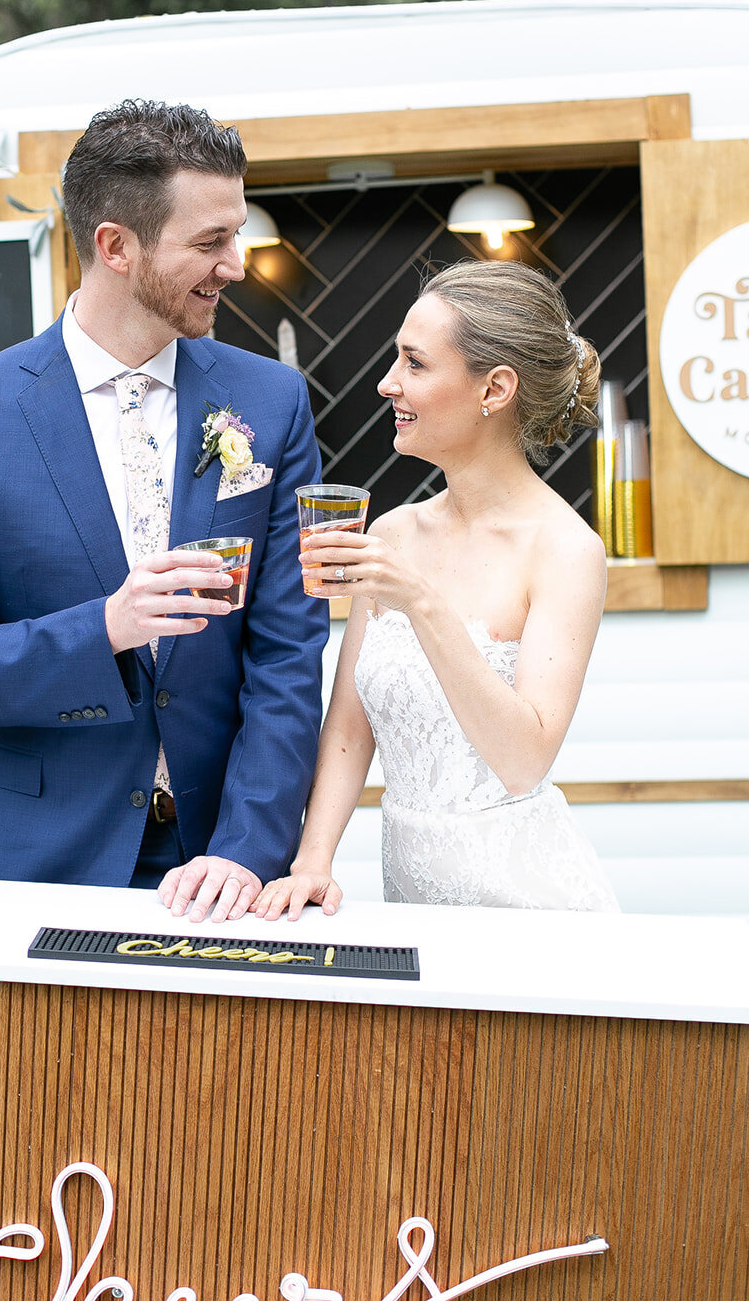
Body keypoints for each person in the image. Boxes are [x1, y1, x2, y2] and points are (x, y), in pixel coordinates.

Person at [0, 100, 327, 921]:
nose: (236, 264)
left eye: (234, 235)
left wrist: (243, 848)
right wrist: (106, 628)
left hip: (224, 864)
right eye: (209, 242)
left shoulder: (269, 401)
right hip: (37, 859)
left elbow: (287, 652)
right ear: (115, 246)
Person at [253, 259, 619, 920]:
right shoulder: (392, 534)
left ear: (494, 388)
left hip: (528, 904)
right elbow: (346, 727)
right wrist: (312, 861)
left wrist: (422, 604)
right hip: (414, 898)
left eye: (414, 364)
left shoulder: (566, 551)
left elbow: (521, 762)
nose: (387, 383)